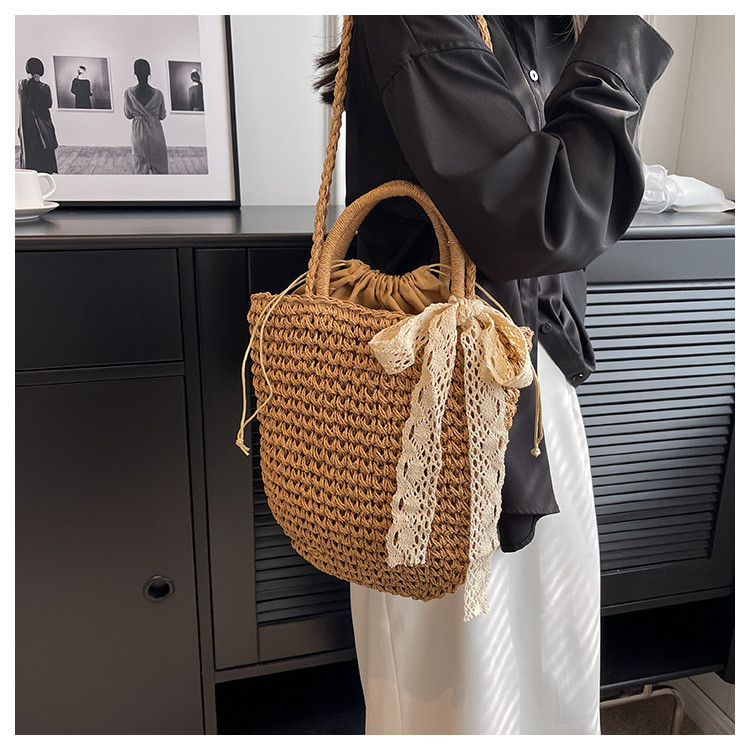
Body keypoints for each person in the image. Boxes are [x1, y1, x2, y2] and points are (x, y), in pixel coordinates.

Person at [313, 15, 674, 735]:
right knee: (461, 690)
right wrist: (616, 35)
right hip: (434, 413)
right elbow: (545, 215)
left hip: (534, 390)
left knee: (544, 665)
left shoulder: (546, 25)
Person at [123, 58, 168, 174]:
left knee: (140, 168)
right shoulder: (158, 94)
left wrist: (139, 114)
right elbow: (162, 115)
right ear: (149, 73)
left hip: (139, 135)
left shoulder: (128, 93)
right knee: (160, 170)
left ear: (135, 73)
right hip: (156, 134)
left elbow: (128, 115)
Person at [17, 57, 58, 173]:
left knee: (30, 153)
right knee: (45, 153)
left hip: (27, 126)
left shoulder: (21, 85)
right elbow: (48, 104)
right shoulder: (45, 87)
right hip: (42, 125)